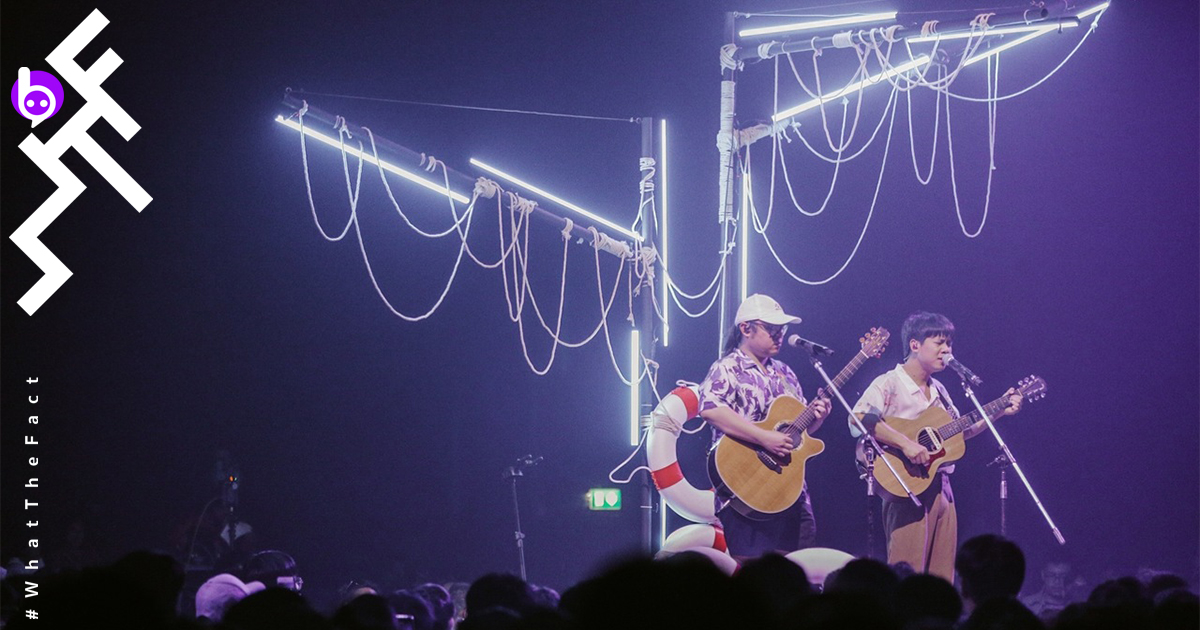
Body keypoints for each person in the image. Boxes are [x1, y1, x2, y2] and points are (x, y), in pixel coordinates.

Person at [850, 312, 1023, 581]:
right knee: (906, 574)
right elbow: (859, 418)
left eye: (949, 344)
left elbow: (960, 433)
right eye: (939, 342)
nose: (947, 350)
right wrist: (906, 444)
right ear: (915, 344)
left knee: (941, 577)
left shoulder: (940, 389)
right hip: (906, 487)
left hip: (941, 487)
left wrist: (1000, 409)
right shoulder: (889, 383)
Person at [698, 293, 832, 559]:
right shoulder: (727, 368)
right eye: (771, 328)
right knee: (753, 577)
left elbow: (797, 435)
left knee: (798, 569)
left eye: (782, 328)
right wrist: (764, 438)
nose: (779, 334)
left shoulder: (786, 373)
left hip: (791, 491)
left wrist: (818, 417)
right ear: (746, 329)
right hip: (748, 488)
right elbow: (711, 409)